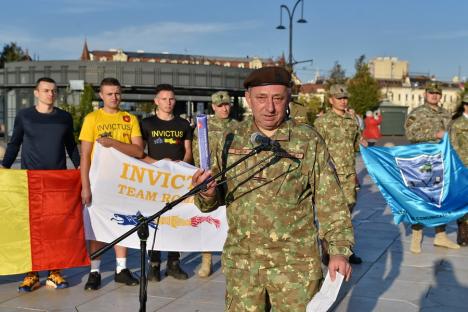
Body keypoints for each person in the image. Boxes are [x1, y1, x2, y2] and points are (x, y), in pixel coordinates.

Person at [192, 67, 354, 311]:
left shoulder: (307, 140)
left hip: (294, 267)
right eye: (261, 98)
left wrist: (338, 251)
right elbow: (211, 201)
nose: (269, 107)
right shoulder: (229, 139)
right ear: (248, 98)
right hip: (244, 264)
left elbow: (331, 200)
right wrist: (206, 193)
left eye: (277, 98)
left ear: (288, 98)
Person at [1, 77, 80, 292]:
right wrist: (4, 168)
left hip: (58, 181)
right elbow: (14, 143)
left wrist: (81, 168)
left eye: (54, 91)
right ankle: (31, 274)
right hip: (30, 182)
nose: (50, 94)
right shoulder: (24, 116)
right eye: (46, 90)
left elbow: (71, 146)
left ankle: (54, 272)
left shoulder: (64, 117)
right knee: (33, 229)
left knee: (55, 227)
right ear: (37, 93)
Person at [80, 77, 144, 290]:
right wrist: (85, 186)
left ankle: (121, 269)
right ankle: (95, 271)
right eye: (109, 94)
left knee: (122, 223)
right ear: (101, 95)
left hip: (124, 181)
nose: (114, 97)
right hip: (99, 182)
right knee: (96, 226)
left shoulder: (129, 118)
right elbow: (85, 155)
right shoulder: (92, 118)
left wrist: (114, 143)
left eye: (117, 93)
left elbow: (138, 151)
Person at [141, 83, 192, 282]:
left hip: (178, 181)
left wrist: (181, 166)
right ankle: (154, 265)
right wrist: (159, 165)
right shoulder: (147, 124)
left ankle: (173, 263)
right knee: (155, 222)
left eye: (171, 99)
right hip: (155, 181)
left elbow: (188, 151)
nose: (168, 102)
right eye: (164, 99)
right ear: (156, 101)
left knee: (176, 221)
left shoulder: (183, 124)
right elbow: (140, 153)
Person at [314, 84, 366, 265]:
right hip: (330, 175)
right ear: (330, 100)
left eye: (345, 98)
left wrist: (363, 144)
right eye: (339, 98)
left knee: (347, 212)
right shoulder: (322, 122)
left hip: (348, 174)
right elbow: (317, 148)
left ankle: (346, 250)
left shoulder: (352, 121)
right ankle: (327, 249)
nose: (343, 101)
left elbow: (355, 146)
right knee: (330, 213)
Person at [405, 81, 460, 253]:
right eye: (431, 93)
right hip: (423, 161)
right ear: (425, 94)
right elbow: (410, 133)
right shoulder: (417, 113)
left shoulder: (446, 114)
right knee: (421, 197)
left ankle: (440, 235)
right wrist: (433, 134)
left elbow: (452, 136)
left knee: (441, 198)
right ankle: (416, 236)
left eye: (437, 93)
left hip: (442, 160)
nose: (434, 95)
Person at [192, 90, 238, 278]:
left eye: (226, 104)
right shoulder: (203, 127)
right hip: (211, 178)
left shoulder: (238, 126)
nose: (224, 108)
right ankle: (207, 260)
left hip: (232, 178)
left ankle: (230, 258)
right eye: (220, 105)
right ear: (213, 106)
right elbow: (197, 153)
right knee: (209, 221)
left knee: (231, 221)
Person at [449, 95, 468, 245]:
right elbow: (453, 146)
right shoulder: (457, 124)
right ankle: (463, 232)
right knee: (463, 200)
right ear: (465, 105)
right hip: (463, 167)